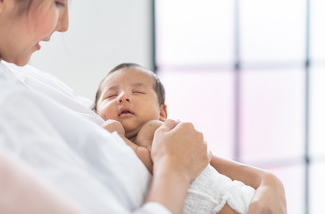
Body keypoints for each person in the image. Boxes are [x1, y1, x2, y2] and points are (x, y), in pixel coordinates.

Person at [0, 0, 286, 213]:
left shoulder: (18, 74)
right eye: (59, 1)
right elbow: (173, 158)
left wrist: (265, 182)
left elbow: (193, 154)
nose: (64, 24)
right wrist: (172, 170)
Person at [93, 63, 262, 214]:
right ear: (95, 112)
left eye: (137, 91)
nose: (123, 97)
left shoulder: (154, 129)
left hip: (233, 202)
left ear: (162, 113)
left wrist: (116, 136)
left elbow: (151, 164)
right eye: (111, 96)